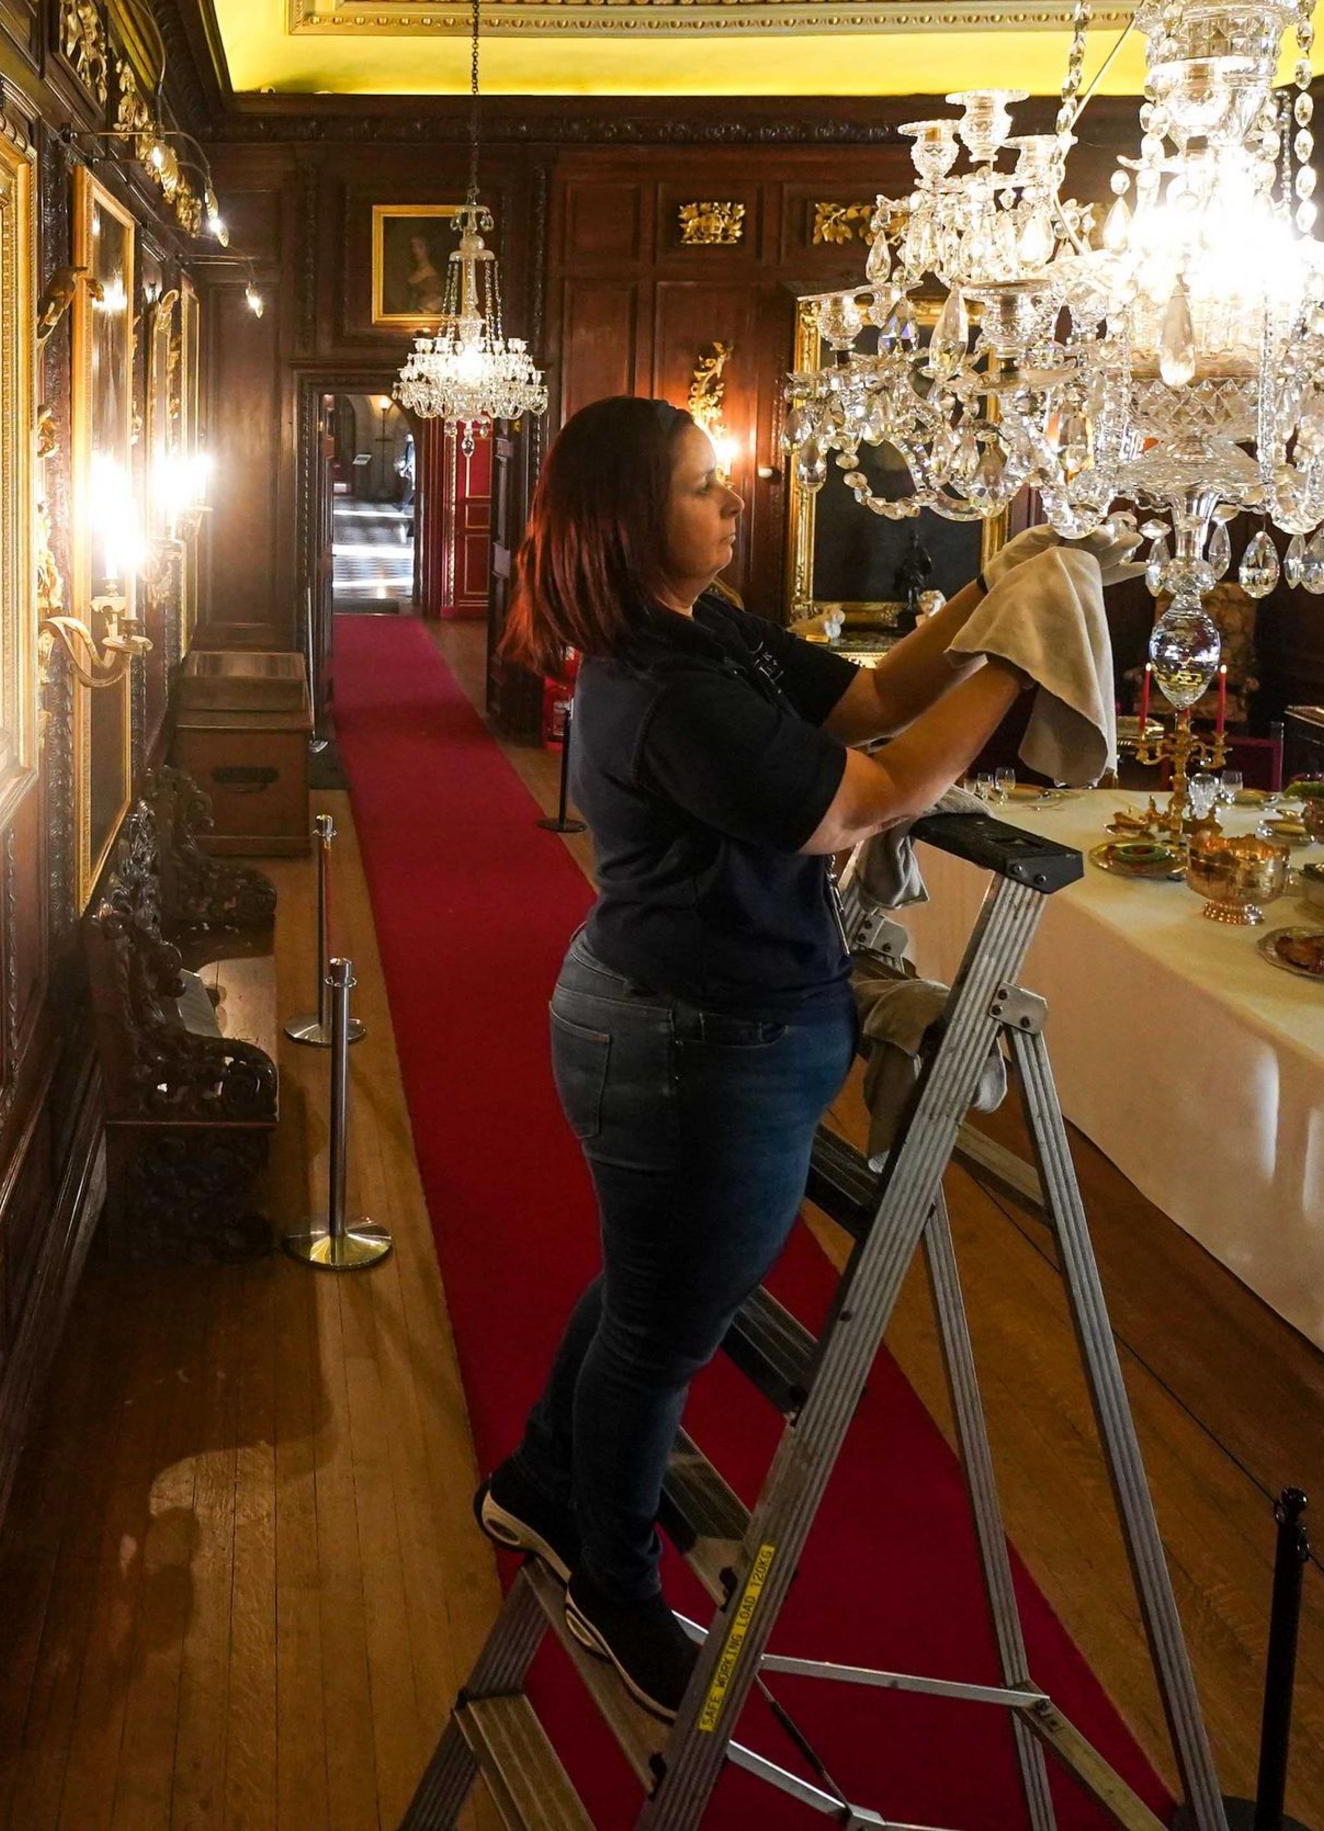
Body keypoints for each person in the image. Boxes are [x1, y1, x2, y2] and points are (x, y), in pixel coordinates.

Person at [474, 394, 1029, 1722]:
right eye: (699, 488)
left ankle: (544, 1482)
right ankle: (608, 1573)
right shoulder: (658, 689)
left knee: (652, 1290)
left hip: (695, 1024)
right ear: (628, 520)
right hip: (688, 1044)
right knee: (666, 1328)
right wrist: (1031, 667)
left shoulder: (695, 626)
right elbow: (871, 795)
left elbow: (880, 697)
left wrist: (998, 594)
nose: (733, 505)